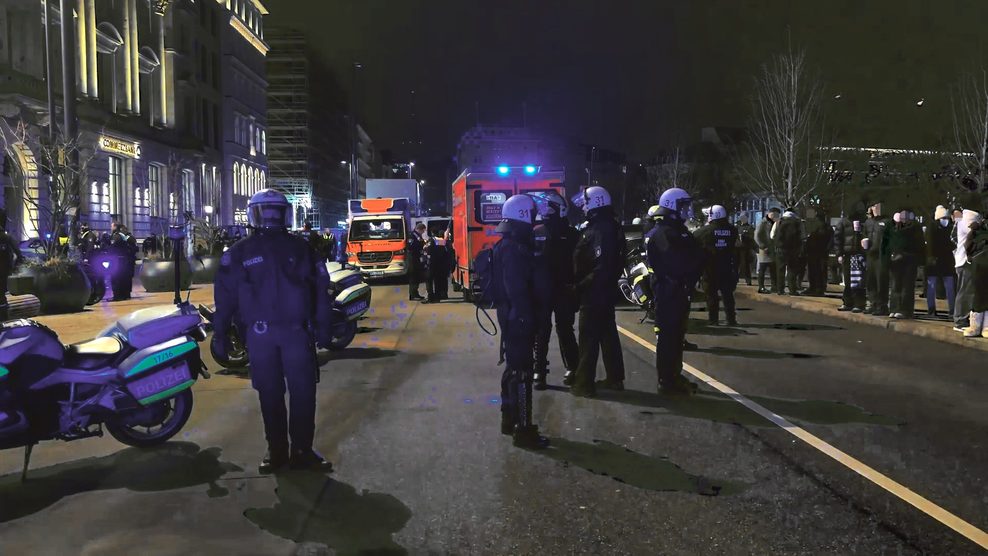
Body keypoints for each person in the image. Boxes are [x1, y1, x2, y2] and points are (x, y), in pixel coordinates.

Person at [212, 189, 334, 473]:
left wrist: (221, 333)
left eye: (272, 212)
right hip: (285, 334)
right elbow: (226, 297)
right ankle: (287, 450)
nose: (269, 218)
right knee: (283, 393)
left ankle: (288, 451)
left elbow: (225, 299)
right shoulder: (294, 249)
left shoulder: (247, 251)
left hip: (274, 335)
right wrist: (220, 332)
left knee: (287, 394)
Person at [493, 194, 548, 449]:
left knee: (513, 370)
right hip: (519, 318)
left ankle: (509, 421)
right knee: (523, 374)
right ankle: (524, 429)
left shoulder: (507, 245)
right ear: (524, 215)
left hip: (512, 317)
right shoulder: (515, 249)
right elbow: (517, 288)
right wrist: (528, 318)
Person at [647, 188, 706, 395]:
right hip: (668, 291)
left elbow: (695, 255)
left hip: (679, 290)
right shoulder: (664, 233)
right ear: (672, 205)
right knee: (668, 338)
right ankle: (666, 381)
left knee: (677, 336)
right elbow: (678, 262)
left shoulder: (677, 230)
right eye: (684, 205)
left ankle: (674, 375)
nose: (687, 209)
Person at [568, 186, 626, 397]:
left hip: (594, 293)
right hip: (603, 291)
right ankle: (614, 378)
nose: (583, 207)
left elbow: (602, 267)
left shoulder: (601, 230)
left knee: (589, 339)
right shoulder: (607, 225)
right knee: (607, 335)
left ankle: (583, 384)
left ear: (596, 202)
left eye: (586, 202)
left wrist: (580, 286)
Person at [531, 192, 579, 391]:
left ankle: (573, 368)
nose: (544, 210)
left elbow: (579, 263)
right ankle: (540, 371)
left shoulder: (572, 234)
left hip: (563, 289)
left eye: (548, 207)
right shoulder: (537, 232)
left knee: (563, 329)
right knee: (543, 331)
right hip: (544, 290)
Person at [696, 205, 739, 325]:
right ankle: (731, 319)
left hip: (710, 268)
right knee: (728, 295)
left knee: (711, 295)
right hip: (727, 266)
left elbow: (694, 238)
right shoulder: (733, 230)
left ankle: (713, 320)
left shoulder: (704, 231)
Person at [887, 210, 924, 319]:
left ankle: (901, 309)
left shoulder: (907, 229)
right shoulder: (911, 228)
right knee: (900, 286)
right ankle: (899, 309)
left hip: (905, 260)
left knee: (903, 286)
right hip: (903, 260)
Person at [924, 205, 956, 319]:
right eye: (943, 218)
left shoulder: (945, 228)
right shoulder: (935, 228)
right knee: (939, 286)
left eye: (946, 218)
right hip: (938, 261)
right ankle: (935, 310)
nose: (945, 220)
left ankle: (945, 310)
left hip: (942, 261)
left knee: (946, 287)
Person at [953, 209, 981, 331]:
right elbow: (973, 231)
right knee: (965, 292)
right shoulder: (967, 220)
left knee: (966, 292)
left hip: (965, 262)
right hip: (965, 262)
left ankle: (963, 319)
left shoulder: (964, 220)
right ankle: (960, 320)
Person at [834, 212, 867, 312]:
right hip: (847, 254)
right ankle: (848, 302)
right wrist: (839, 254)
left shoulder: (863, 221)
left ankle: (859, 303)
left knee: (859, 280)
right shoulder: (843, 222)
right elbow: (837, 238)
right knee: (848, 280)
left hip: (859, 255)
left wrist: (859, 232)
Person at [962, 215, 988, 338]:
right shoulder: (976, 230)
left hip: (980, 264)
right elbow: (968, 247)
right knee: (978, 295)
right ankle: (975, 326)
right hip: (978, 266)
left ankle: (986, 326)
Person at [864, 203, 892, 315]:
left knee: (881, 281)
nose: (876, 208)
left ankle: (882, 306)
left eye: (878, 206)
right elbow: (864, 235)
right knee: (871, 281)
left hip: (881, 256)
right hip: (870, 255)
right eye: (874, 206)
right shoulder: (868, 222)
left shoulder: (887, 222)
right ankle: (873, 303)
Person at [773, 209, 804, 295]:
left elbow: (772, 235)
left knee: (780, 270)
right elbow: (802, 236)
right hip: (793, 249)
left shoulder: (779, 222)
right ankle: (792, 290)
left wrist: (777, 243)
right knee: (792, 269)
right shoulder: (798, 222)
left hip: (781, 249)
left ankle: (780, 290)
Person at [803, 207, 833, 296]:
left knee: (815, 270)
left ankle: (816, 288)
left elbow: (811, 239)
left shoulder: (817, 227)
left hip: (816, 252)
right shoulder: (827, 228)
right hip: (819, 252)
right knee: (819, 271)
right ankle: (817, 288)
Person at [0, 220, 23, 321]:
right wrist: (13, 268)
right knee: (2, 295)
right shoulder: (7, 238)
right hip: (4, 271)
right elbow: (19, 255)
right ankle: (4, 319)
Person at [109, 223, 137, 300]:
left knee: (116, 277)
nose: (111, 227)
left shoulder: (117, 236)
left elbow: (113, 248)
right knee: (124, 278)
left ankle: (118, 295)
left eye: (112, 226)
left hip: (117, 259)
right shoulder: (123, 236)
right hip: (124, 260)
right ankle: (125, 294)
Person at [755, 208, 780, 293]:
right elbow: (757, 236)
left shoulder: (776, 223)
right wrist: (762, 246)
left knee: (773, 269)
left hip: (773, 250)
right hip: (765, 249)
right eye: (774, 214)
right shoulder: (763, 223)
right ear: (770, 214)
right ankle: (761, 287)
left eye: (777, 215)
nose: (776, 216)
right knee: (762, 268)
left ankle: (774, 286)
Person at [407, 223, 427, 301]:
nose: (423, 232)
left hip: (416, 258)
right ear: (419, 229)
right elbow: (410, 247)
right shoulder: (412, 236)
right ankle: (413, 294)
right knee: (414, 277)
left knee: (416, 277)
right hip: (413, 259)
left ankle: (415, 293)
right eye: (423, 231)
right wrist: (421, 244)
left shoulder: (417, 236)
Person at [736, 214, 755, 286]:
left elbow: (752, 237)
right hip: (738, 248)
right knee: (737, 264)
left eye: (744, 218)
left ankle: (748, 280)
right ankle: (736, 278)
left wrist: (744, 237)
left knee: (746, 265)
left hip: (746, 248)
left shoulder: (750, 227)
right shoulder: (737, 227)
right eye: (741, 218)